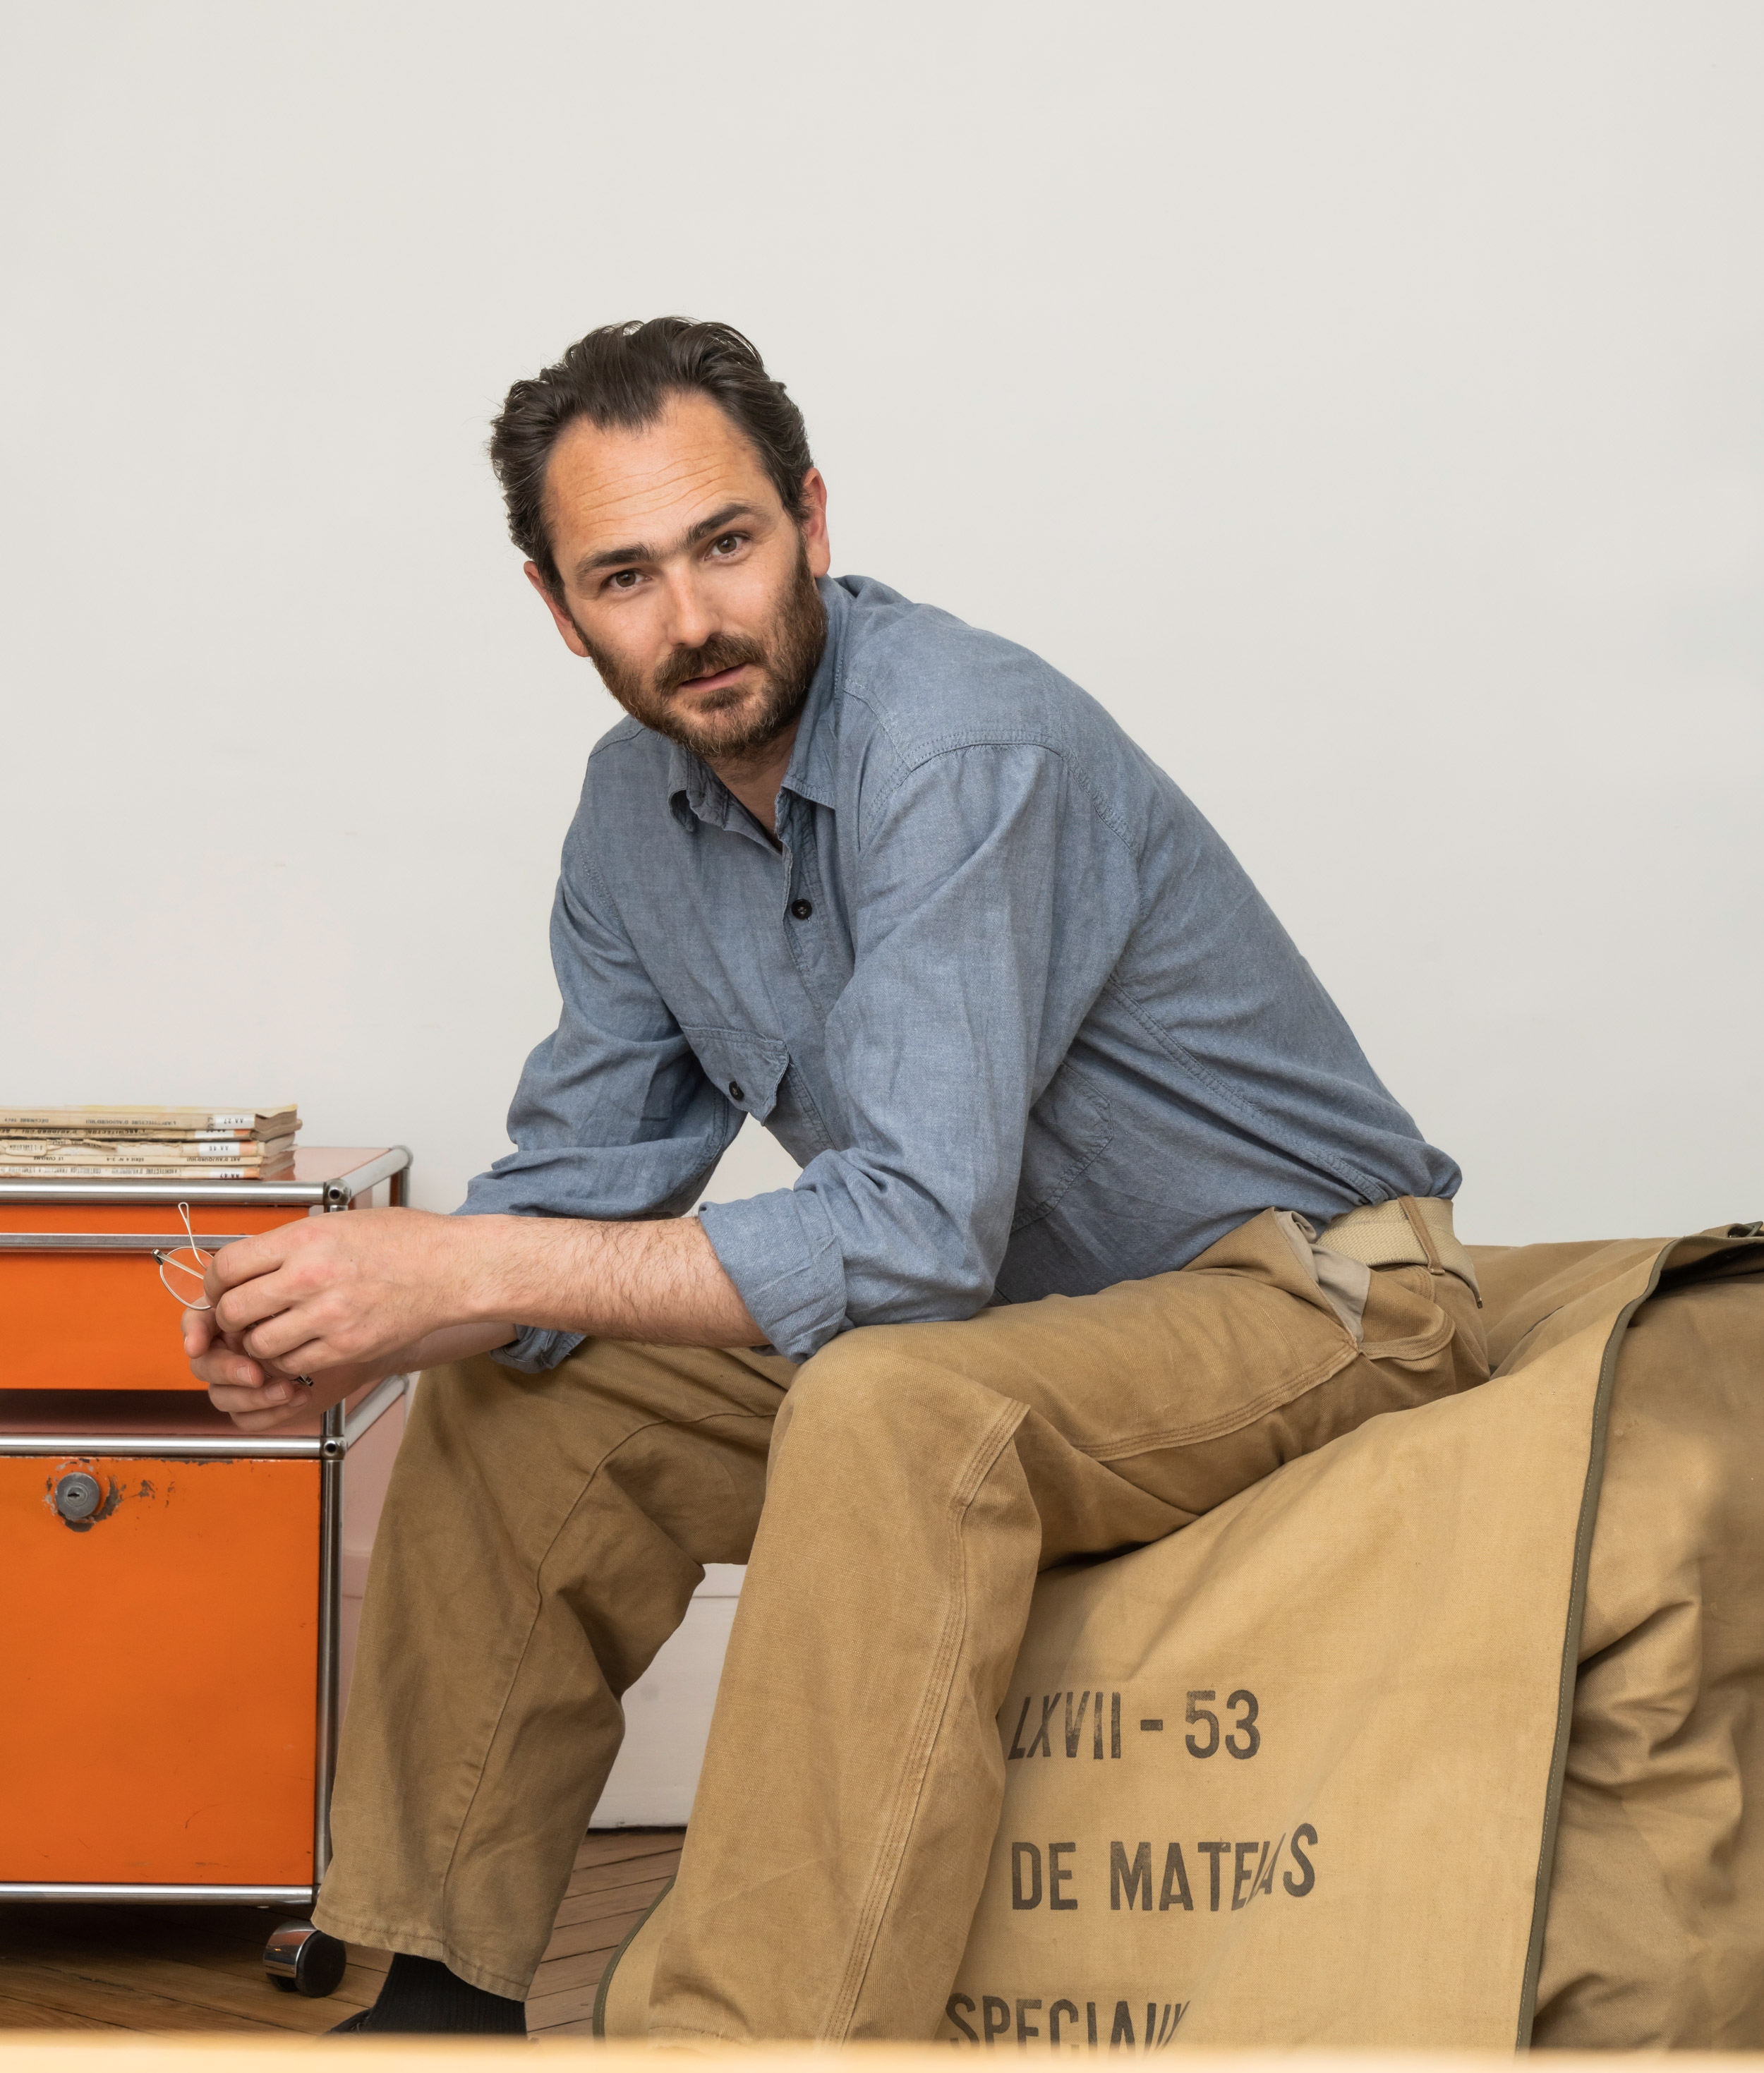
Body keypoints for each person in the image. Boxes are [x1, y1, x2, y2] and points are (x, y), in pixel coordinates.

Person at [186, 318, 1487, 2041]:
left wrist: (467, 1268)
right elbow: (572, 1193)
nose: (692, 618)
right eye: (625, 576)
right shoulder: (629, 813)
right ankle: (436, 1995)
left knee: (874, 1397)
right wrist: (350, 1326)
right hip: (1019, 1332)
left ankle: (749, 2041)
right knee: (525, 1387)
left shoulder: (956, 748)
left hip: (1311, 1297)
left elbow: (914, 1237)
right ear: (556, 605)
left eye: (724, 542)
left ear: (808, 517)